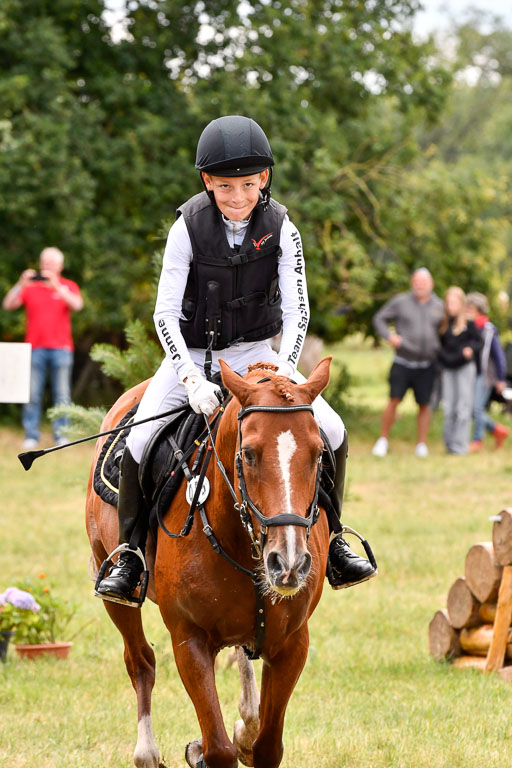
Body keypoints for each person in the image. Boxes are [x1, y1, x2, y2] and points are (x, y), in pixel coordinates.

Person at [96, 115, 376, 605]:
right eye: (226, 187)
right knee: (139, 438)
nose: (238, 197)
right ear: (208, 182)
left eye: (248, 185)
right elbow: (163, 313)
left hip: (257, 355)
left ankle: (333, 543)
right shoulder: (186, 228)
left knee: (331, 431)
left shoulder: (282, 227)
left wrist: (287, 368)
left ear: (263, 179)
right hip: (190, 357)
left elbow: (298, 309)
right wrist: (189, 376)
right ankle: (130, 556)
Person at [2, 247, 83, 449]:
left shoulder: (67, 286)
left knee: (62, 394)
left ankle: (62, 435)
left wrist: (56, 287)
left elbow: (77, 305)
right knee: (32, 394)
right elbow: (8, 305)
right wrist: (21, 283)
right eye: (44, 263)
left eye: (50, 263)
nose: (46, 266)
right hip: (34, 348)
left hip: (61, 349)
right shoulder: (29, 288)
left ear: (60, 266)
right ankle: (31, 435)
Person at [371, 268, 444, 458]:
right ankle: (383, 440)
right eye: (417, 282)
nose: (420, 285)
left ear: (431, 284)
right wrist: (390, 336)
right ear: (412, 283)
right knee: (394, 400)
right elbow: (379, 318)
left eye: (424, 282)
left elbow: (446, 331)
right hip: (403, 361)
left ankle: (421, 444)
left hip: (427, 364)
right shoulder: (401, 301)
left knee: (424, 404)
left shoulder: (439, 305)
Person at [438, 287, 482, 455]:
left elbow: (479, 342)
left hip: (464, 369)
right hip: (448, 369)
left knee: (463, 408)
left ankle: (460, 446)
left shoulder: (469, 323)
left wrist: (470, 349)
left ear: (461, 304)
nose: (451, 306)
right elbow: (439, 347)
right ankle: (449, 444)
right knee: (449, 408)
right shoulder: (443, 324)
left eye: (454, 302)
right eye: (448, 303)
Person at [466, 292, 509, 452]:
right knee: (471, 409)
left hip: (485, 375)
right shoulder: (468, 328)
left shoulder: (488, 329)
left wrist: (500, 378)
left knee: (476, 408)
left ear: (479, 309)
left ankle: (478, 440)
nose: (467, 311)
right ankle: (497, 430)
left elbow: (498, 356)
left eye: (470, 308)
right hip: (471, 374)